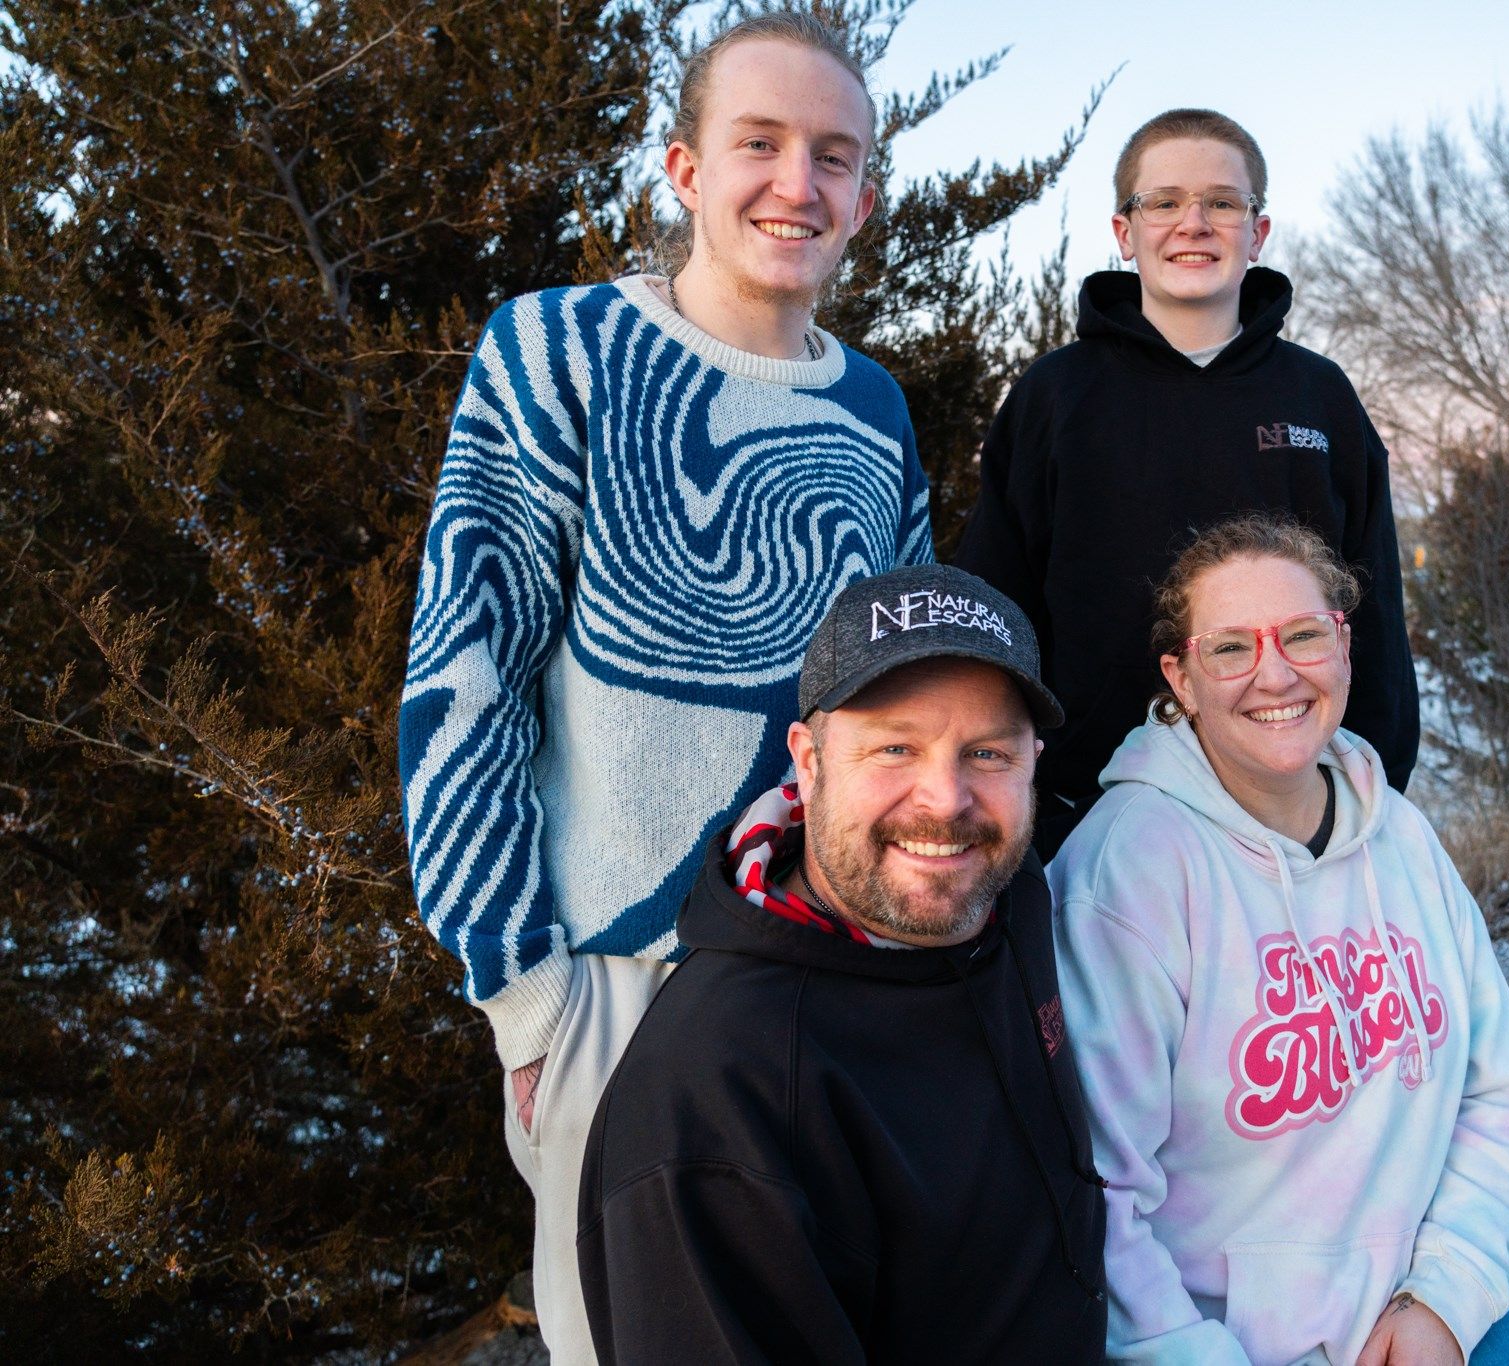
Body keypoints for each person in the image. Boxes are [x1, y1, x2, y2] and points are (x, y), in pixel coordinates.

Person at [396, 15, 929, 1361]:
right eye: (759, 143)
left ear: (866, 193)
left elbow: (906, 711)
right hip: (618, 992)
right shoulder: (553, 354)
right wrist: (527, 998)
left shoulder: (876, 412)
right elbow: (466, 682)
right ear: (686, 168)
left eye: (834, 154)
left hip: (832, 981)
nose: (796, 183)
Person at [1050, 515, 1509, 1366]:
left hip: (1428, 1309)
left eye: (1303, 635)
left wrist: (1446, 1294)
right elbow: (1099, 1195)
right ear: (1180, 675)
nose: (1274, 674)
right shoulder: (1124, 875)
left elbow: (1504, 1090)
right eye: (1230, 648)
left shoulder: (1399, 834)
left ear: (1345, 646)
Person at [577, 564, 1109, 1363]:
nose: (946, 800)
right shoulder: (715, 1099)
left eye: (988, 753)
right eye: (895, 747)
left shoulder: (1003, 891)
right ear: (809, 758)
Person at [955, 108, 1418, 858]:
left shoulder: (1319, 397)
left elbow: (1374, 609)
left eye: (1223, 203)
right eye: (1164, 202)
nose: (1193, 223)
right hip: (1088, 808)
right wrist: (1007, 784)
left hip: (1293, 809)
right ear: (1124, 232)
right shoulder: (1055, 397)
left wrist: (1377, 781)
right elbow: (996, 607)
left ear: (1257, 232)